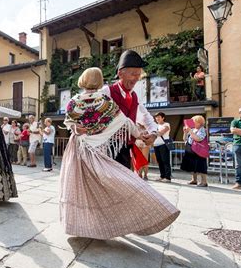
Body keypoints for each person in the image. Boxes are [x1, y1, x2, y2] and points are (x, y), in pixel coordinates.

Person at [61, 67, 180, 240]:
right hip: (98, 150)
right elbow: (124, 122)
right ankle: (147, 211)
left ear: (82, 80)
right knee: (112, 184)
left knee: (79, 187)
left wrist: (76, 128)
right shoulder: (105, 101)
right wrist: (142, 134)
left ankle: (81, 225)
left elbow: (69, 122)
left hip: (78, 149)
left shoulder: (74, 101)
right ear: (100, 81)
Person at [100, 50, 158, 169]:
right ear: (120, 73)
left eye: (138, 75)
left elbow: (147, 117)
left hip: (125, 150)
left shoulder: (135, 96)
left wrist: (153, 133)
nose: (136, 78)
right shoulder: (107, 91)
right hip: (107, 148)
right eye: (133, 74)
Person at [181, 115, 208, 187]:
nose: (192, 123)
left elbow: (198, 138)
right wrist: (185, 132)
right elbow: (184, 139)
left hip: (199, 150)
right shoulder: (193, 129)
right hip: (191, 148)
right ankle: (194, 180)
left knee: (201, 165)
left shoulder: (203, 130)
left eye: (194, 121)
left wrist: (190, 131)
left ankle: (204, 181)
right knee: (192, 165)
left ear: (200, 122)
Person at [153, 112, 172, 182]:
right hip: (156, 145)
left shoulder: (166, 124)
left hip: (163, 144)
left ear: (163, 118)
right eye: (156, 117)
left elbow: (161, 132)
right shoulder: (155, 125)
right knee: (159, 161)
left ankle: (168, 177)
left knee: (165, 161)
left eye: (159, 117)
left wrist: (153, 133)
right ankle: (162, 176)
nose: (157, 118)